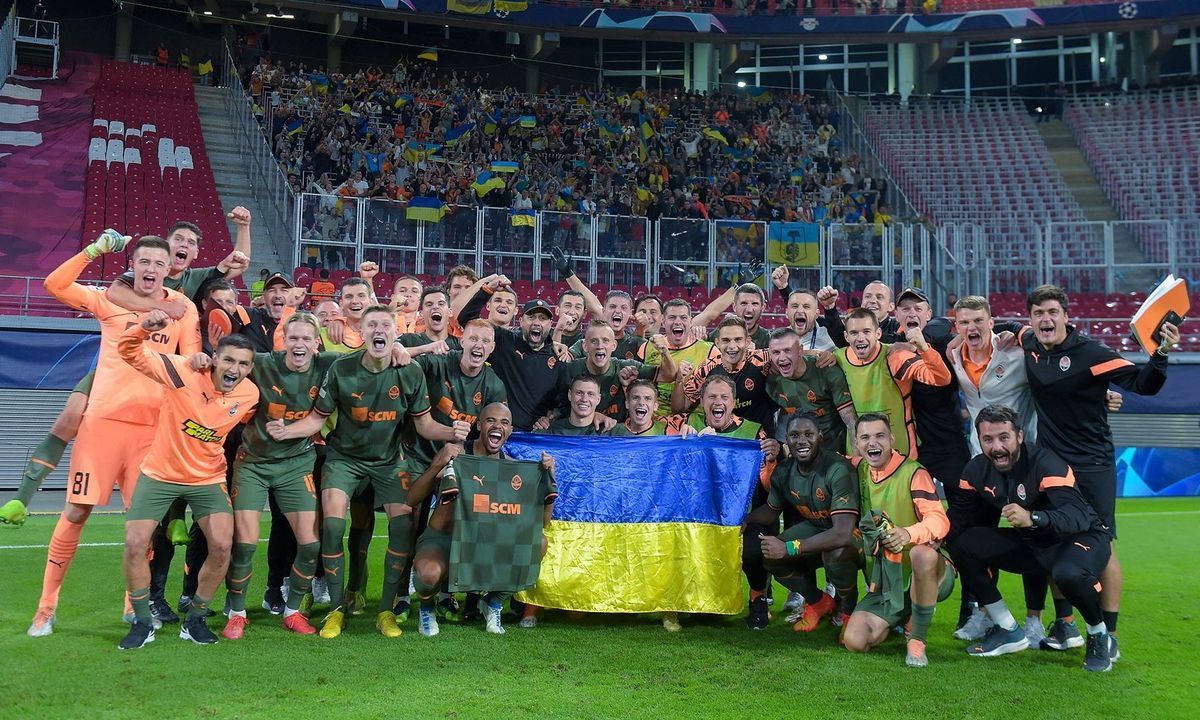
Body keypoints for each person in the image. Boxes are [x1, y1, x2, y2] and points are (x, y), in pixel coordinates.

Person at [28, 234, 200, 637]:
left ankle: (132, 605)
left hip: (152, 431)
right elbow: (54, 285)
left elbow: (189, 363)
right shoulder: (110, 300)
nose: (152, 269)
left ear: (168, 268)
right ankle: (46, 608)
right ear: (134, 265)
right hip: (102, 425)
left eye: (159, 263)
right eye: (144, 262)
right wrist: (93, 251)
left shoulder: (183, 308)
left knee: (143, 523)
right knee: (76, 511)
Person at [265, 305, 469, 639]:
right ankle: (336, 609)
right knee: (331, 527)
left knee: (403, 526)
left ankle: (386, 610)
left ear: (394, 333)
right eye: (371, 324)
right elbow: (317, 419)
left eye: (385, 325)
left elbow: (425, 424)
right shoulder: (342, 368)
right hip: (343, 459)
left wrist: (452, 432)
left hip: (390, 461)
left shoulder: (411, 371)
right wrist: (286, 431)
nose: (379, 330)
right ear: (362, 332)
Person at [1020, 284, 1177, 659]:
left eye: (1053, 312)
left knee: (1102, 548)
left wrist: (1163, 351)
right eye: (1039, 313)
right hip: (1051, 465)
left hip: (1092, 465)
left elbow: (1144, 385)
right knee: (1055, 540)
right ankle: (1065, 624)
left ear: (1066, 317)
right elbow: (1007, 328)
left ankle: (1111, 632)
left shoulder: (1092, 352)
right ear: (1031, 319)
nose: (1046, 319)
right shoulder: (1027, 342)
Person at [115, 314, 258, 650]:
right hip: (160, 474)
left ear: (250, 369)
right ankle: (141, 620)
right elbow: (128, 352)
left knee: (222, 547)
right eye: (228, 360)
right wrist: (143, 328)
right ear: (214, 359)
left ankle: (194, 618)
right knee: (136, 544)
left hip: (207, 478)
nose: (234, 368)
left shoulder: (249, 394)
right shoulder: (183, 371)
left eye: (243, 363)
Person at [950, 405, 1115, 672]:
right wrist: (928, 538)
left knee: (1069, 574)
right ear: (978, 441)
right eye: (988, 439)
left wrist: (1034, 518)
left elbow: (1077, 517)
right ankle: (1007, 628)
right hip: (1035, 545)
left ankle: (1098, 634)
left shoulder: (1045, 463)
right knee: (962, 543)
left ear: (1019, 436)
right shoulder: (976, 469)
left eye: (1004, 437)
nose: (997, 447)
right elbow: (959, 517)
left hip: (1082, 539)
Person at [220, 312, 339, 639]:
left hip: (297, 464)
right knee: (244, 544)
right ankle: (237, 611)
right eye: (293, 338)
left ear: (316, 343)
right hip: (254, 464)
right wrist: (201, 359)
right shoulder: (260, 362)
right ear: (283, 340)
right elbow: (225, 361)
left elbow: (371, 357)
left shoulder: (329, 364)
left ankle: (292, 610)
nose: (299, 344)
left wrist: (403, 350)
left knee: (311, 544)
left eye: (306, 339)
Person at [408, 403, 556, 637]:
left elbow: (542, 523)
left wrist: (550, 478)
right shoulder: (457, 455)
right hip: (444, 539)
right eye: (491, 421)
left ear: (509, 431)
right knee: (428, 574)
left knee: (539, 543)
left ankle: (493, 603)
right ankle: (427, 608)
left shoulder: (511, 469)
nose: (497, 426)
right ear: (479, 425)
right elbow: (411, 498)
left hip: (486, 541)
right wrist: (438, 462)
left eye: (504, 423)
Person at [841, 414, 953, 668]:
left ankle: (917, 641)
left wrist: (908, 533)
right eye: (865, 437)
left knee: (921, 554)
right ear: (856, 443)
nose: (873, 443)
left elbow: (939, 521)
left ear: (892, 438)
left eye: (880, 436)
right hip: (886, 584)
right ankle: (904, 615)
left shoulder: (913, 472)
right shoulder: (858, 469)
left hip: (929, 573)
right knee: (855, 641)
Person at [743, 414, 859, 632]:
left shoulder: (837, 468)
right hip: (817, 529)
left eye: (808, 434)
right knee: (768, 552)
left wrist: (789, 547)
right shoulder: (784, 471)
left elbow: (842, 532)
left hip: (854, 536)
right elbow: (770, 510)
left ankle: (848, 611)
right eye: (794, 435)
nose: (801, 441)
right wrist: (745, 520)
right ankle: (818, 602)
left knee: (835, 554)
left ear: (820, 437)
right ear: (786, 440)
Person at [835, 308, 951, 459]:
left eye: (866, 332)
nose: (860, 338)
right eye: (854, 333)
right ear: (846, 336)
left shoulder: (896, 357)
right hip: (859, 454)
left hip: (900, 453)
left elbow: (941, 378)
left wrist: (924, 349)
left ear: (878, 334)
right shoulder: (838, 358)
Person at [457, 281, 563, 430]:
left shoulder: (559, 357)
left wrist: (552, 416)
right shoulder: (504, 340)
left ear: (550, 324)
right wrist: (487, 290)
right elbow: (466, 319)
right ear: (521, 321)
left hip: (534, 438)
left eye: (543, 318)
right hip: (498, 434)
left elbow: (564, 401)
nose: (537, 322)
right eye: (531, 317)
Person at [552, 320, 676, 424]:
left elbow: (669, 376)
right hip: (581, 435)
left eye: (605, 341)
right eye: (594, 341)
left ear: (614, 345)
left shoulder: (627, 367)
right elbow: (556, 407)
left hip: (615, 436)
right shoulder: (570, 370)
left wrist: (664, 350)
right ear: (585, 346)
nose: (600, 346)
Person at [674, 316, 775, 434]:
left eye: (738, 340)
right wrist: (679, 380)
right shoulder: (706, 368)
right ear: (717, 342)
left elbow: (793, 355)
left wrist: (778, 367)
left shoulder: (763, 360)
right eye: (726, 340)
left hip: (758, 439)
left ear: (747, 342)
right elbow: (679, 408)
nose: (732, 346)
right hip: (721, 439)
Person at [765, 328, 856, 452]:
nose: (782, 357)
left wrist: (856, 461)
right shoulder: (771, 380)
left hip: (834, 452)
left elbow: (851, 423)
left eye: (788, 350)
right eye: (776, 352)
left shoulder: (826, 370)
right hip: (800, 456)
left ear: (800, 350)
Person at [635, 299, 718, 411]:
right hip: (652, 420)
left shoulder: (710, 350)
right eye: (672, 317)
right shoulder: (647, 347)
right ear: (663, 321)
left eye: (683, 318)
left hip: (691, 420)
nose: (678, 322)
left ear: (690, 321)